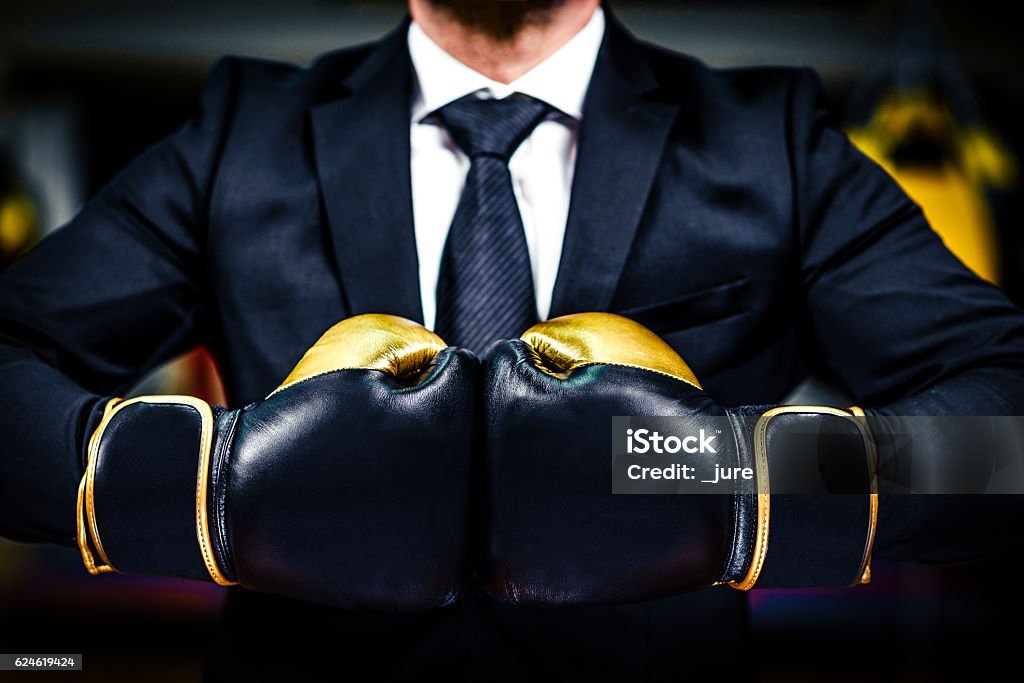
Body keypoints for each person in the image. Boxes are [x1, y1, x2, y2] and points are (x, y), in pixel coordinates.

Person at [2, 1, 1023, 680]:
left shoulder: (772, 142)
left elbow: (1005, 430)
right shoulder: (242, 134)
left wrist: (719, 481)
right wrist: (219, 491)